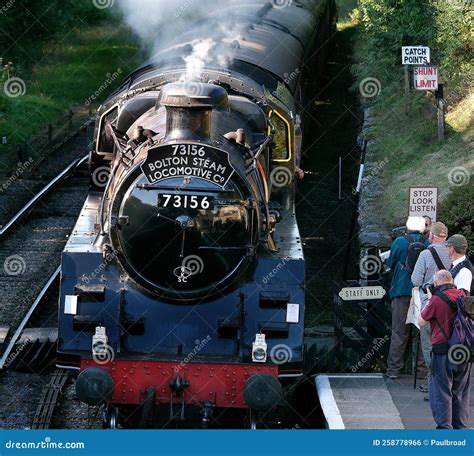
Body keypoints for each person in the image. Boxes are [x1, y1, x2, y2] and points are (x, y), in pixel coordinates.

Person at [418, 270, 470, 429]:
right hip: (463, 351)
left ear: (437, 282)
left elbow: (421, 322)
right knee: (460, 392)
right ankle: (460, 428)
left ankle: (444, 430)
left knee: (441, 391)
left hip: (443, 351)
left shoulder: (436, 300)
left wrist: (429, 300)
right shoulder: (463, 296)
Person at [386, 216, 430, 379]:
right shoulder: (427, 243)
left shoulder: (399, 242)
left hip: (400, 291)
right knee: (422, 332)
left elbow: (390, 263)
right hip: (421, 293)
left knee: (399, 332)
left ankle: (394, 370)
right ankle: (422, 371)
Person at [411, 222, 450, 386]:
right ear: (446, 237)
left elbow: (416, 280)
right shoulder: (452, 253)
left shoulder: (425, 254)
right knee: (447, 341)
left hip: (429, 303)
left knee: (428, 342)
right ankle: (448, 378)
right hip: (450, 304)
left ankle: (433, 381)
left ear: (431, 236)